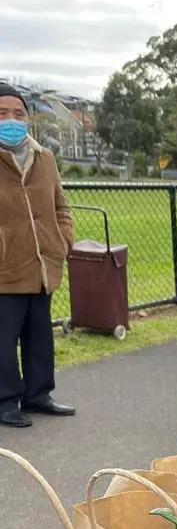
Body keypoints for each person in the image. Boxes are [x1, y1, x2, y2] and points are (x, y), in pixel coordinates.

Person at [0, 84, 75, 428]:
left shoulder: (44, 158)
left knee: (39, 334)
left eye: (18, 113)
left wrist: (64, 239)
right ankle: (5, 400)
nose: (11, 120)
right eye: (2, 114)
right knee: (3, 339)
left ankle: (38, 393)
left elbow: (61, 205)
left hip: (43, 262)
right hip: (5, 267)